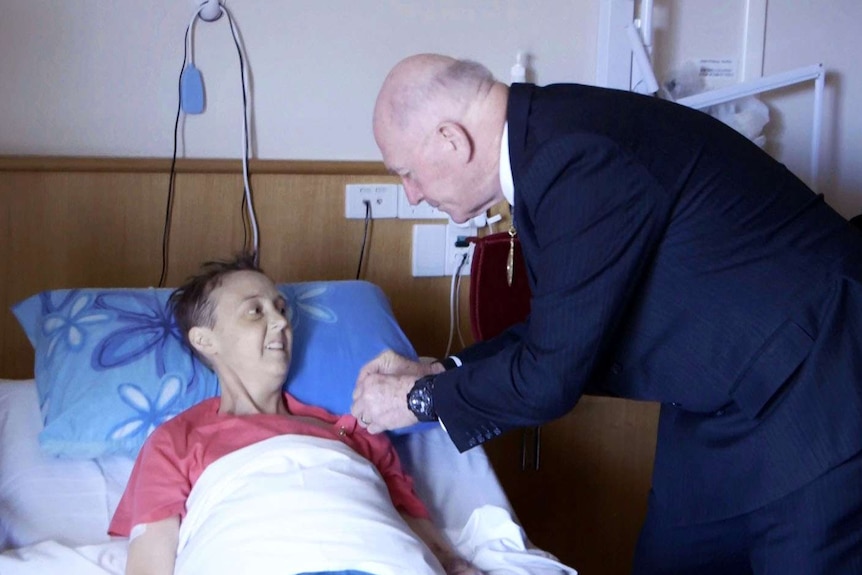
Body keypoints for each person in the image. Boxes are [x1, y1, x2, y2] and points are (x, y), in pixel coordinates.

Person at [351, 53, 862, 574]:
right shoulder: (549, 144)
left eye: (407, 173)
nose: (412, 195)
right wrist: (444, 372)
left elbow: (551, 376)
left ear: (450, 140)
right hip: (721, 391)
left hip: (815, 380)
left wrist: (420, 399)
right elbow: (566, 327)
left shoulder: (574, 156)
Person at [109, 253, 481, 575]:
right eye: (255, 311)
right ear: (205, 339)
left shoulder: (355, 429)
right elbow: (150, 558)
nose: (281, 322)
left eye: (281, 308)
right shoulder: (176, 441)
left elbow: (412, 521)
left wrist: (454, 564)